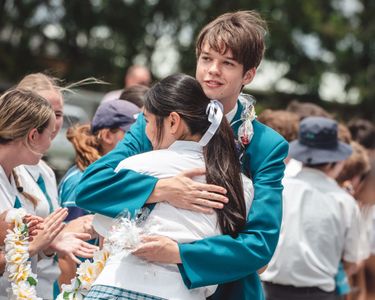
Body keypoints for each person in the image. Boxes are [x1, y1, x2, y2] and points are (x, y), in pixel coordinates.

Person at [77, 10, 288, 300]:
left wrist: (180, 253)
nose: (213, 69)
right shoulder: (156, 120)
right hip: (138, 283)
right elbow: (91, 187)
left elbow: (260, 244)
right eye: (206, 58)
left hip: (226, 290)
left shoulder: (265, 145)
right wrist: (161, 189)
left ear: (248, 74)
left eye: (227, 63)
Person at [86, 73, 254, 299]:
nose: (145, 131)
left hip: (113, 286)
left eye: (146, 121)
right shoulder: (240, 185)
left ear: (173, 122)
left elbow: (104, 225)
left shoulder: (136, 164)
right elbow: (243, 252)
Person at [14, 73, 98, 299]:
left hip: (41, 286)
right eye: (44, 111)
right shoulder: (10, 168)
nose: (52, 121)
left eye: (58, 114)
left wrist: (56, 241)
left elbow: (44, 242)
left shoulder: (47, 172)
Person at [261, 116, 361, 300]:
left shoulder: (279, 187)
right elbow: (351, 262)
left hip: (269, 290)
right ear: (334, 160)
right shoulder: (345, 201)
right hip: (319, 293)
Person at [0, 88, 74, 298]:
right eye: (50, 135)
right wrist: (33, 247)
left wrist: (46, 245)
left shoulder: (17, 175)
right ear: (33, 135)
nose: (51, 144)